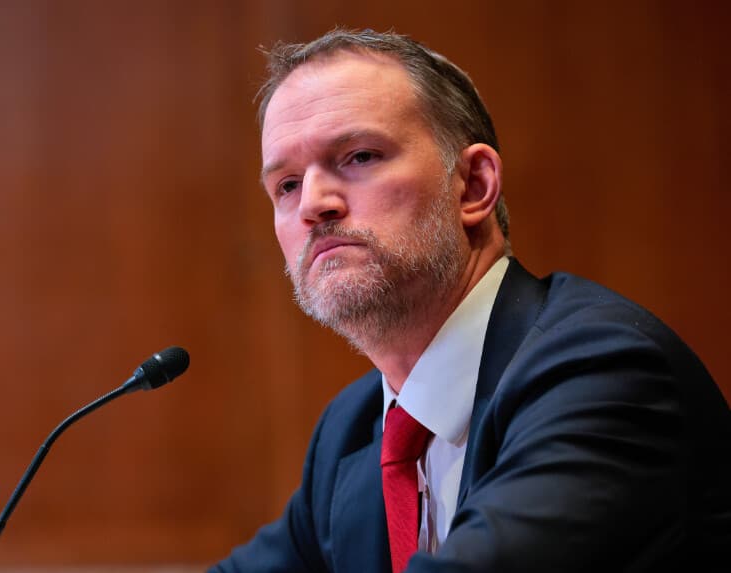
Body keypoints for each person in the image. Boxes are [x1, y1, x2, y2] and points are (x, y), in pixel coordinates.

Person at [209, 28, 731, 572]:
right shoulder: (351, 429)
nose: (313, 205)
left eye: (359, 156)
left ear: (474, 186)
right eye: (287, 185)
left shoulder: (602, 374)